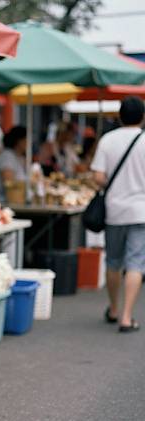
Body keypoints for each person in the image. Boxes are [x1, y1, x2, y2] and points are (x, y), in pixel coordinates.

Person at [91, 95, 145, 333]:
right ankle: (126, 317)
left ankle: (113, 308)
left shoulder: (107, 140)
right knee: (135, 263)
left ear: (120, 116)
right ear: (142, 117)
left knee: (113, 261)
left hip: (114, 211)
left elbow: (98, 178)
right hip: (140, 212)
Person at [0, 125, 27, 203]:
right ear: (19, 141)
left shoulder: (18, 157)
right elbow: (10, 184)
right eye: (26, 139)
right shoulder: (7, 156)